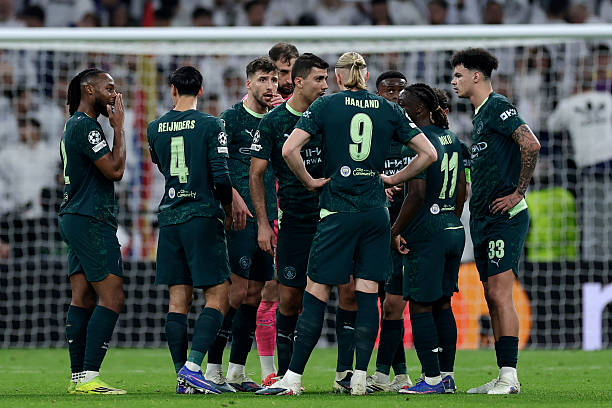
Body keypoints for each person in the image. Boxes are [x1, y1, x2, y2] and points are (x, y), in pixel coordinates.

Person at [260, 51, 437, 396]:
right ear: (367, 77)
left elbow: (289, 150)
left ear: (339, 78)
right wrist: (392, 178)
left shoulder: (326, 105)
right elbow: (428, 154)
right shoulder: (388, 108)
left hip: (337, 211)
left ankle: (292, 378)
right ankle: (358, 377)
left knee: (316, 290)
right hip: (375, 212)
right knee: (367, 293)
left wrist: (310, 181)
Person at [450, 47, 540, 394]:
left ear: (476, 76)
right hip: (485, 219)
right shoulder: (480, 116)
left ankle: (510, 376)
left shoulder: (498, 106)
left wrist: (518, 192)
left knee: (501, 294)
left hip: (505, 218)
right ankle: (503, 374)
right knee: (491, 294)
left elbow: (530, 144)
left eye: (458, 75)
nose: (453, 81)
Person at [147, 66, 234, 395]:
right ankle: (194, 368)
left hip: (170, 217)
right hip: (201, 215)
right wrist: (228, 209)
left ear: (172, 89)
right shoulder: (212, 124)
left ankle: (182, 377)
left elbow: (162, 165)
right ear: (200, 90)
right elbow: (221, 177)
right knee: (219, 295)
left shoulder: (155, 128)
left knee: (178, 299)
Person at [204, 57, 279, 393]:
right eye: (263, 79)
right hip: (238, 219)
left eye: (274, 80)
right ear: (248, 83)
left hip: (268, 216)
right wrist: (232, 197)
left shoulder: (277, 120)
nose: (270, 86)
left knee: (254, 295)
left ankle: (236, 371)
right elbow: (216, 164)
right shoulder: (231, 118)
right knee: (234, 292)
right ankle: (213, 370)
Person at [390, 83, 467, 394]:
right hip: (453, 228)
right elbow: (461, 190)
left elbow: (417, 194)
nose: (399, 108)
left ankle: (431, 379)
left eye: (403, 103)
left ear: (419, 109)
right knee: (443, 304)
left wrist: (395, 230)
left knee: (421, 306)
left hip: (427, 233)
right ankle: (446, 376)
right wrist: (449, 218)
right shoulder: (453, 139)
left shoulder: (419, 143)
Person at [59, 68, 126, 394]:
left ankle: (78, 378)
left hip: (76, 214)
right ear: (89, 90)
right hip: (90, 217)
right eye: (109, 88)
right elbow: (115, 170)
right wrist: (119, 129)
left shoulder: (74, 124)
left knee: (83, 296)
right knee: (112, 295)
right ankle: (89, 375)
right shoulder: (86, 126)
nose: (114, 95)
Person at [254, 41, 300, 385]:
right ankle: (268, 371)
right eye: (280, 73)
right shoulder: (260, 115)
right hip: (271, 212)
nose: (285, 80)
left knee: (301, 293)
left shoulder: (308, 110)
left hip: (304, 212)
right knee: (268, 290)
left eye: (290, 72)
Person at [365, 70, 413, 393]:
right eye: (389, 90)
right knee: (384, 302)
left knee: (394, 303)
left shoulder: (413, 133)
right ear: (377, 93)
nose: (396, 95)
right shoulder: (371, 133)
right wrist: (379, 184)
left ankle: (383, 375)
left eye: (400, 90)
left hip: (405, 232)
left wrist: (401, 184)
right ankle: (401, 375)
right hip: (375, 227)